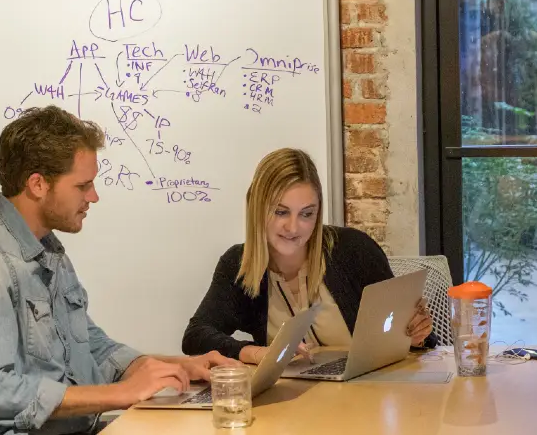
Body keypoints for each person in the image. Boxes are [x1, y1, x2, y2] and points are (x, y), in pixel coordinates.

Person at [0, 106, 239, 435]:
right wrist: (117, 394)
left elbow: (89, 348)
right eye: (82, 185)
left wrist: (169, 366)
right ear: (38, 184)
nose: (94, 196)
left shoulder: (46, 249)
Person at [182, 148, 435, 365]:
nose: (293, 228)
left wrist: (415, 335)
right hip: (289, 407)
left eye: (306, 214)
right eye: (281, 212)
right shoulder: (238, 264)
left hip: (364, 399)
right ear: (257, 209)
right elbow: (196, 336)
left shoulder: (352, 250)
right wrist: (256, 352)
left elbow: (411, 337)